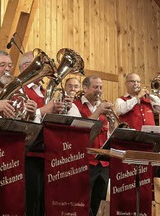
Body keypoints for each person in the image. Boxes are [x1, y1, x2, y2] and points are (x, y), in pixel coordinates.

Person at [69, 75, 114, 216]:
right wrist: (99, 111)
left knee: (99, 204)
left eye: (101, 87)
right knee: (83, 203)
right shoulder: (75, 106)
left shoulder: (102, 109)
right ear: (85, 88)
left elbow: (109, 136)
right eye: (95, 87)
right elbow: (82, 130)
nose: (99, 90)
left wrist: (112, 125)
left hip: (103, 164)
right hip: (86, 162)